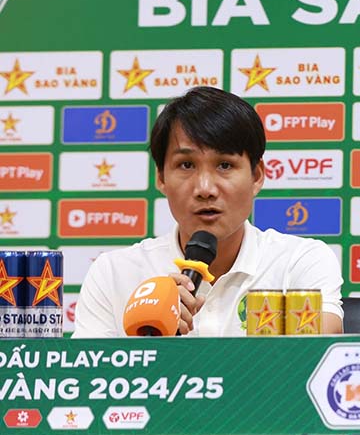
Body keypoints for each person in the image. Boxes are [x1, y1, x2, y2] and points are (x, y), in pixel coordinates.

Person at [73, 86, 344, 337]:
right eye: (186, 165)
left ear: (257, 176)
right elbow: (88, 380)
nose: (205, 189)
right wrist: (151, 342)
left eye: (224, 165)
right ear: (161, 178)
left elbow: (319, 346)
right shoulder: (114, 272)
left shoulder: (298, 261)